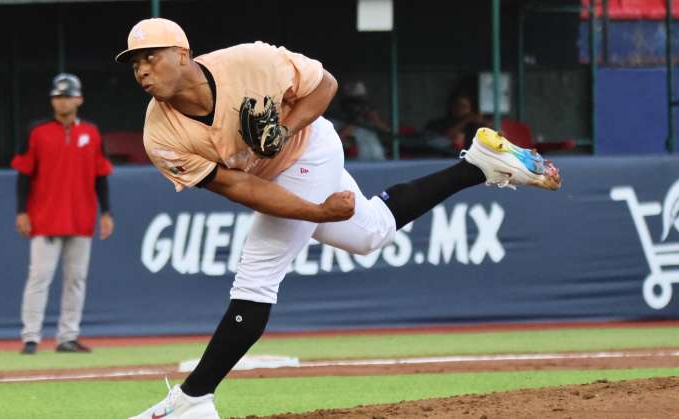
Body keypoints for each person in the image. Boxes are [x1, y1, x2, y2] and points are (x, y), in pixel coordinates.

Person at [116, 18, 560, 419]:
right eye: (135, 63)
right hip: (270, 176)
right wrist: (317, 213)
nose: (142, 71)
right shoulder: (159, 133)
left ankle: (194, 399)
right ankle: (478, 166)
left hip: (310, 150)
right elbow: (237, 187)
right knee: (370, 233)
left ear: (182, 54)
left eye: (149, 57)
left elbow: (324, 85)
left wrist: (286, 128)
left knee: (255, 279)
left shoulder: (248, 62)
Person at [11, 73, 114, 355]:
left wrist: (106, 212)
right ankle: (30, 337)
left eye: (67, 95)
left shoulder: (91, 133)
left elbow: (100, 176)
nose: (62, 101)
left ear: (79, 99)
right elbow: (23, 175)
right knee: (39, 278)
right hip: (45, 219)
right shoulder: (37, 131)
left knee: (76, 279)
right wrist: (21, 211)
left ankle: (67, 336)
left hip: (81, 218)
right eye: (57, 96)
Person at [332, 81, 388, 160]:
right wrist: (354, 124)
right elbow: (332, 142)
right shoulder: (336, 120)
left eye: (361, 102)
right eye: (354, 102)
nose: (358, 107)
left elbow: (388, 131)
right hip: (355, 165)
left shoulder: (368, 118)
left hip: (378, 161)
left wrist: (376, 121)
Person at [425, 88, 492, 152]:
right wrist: (466, 120)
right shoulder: (439, 124)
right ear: (452, 106)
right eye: (458, 106)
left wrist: (482, 122)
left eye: (464, 107)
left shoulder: (473, 125)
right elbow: (445, 138)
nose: (460, 109)